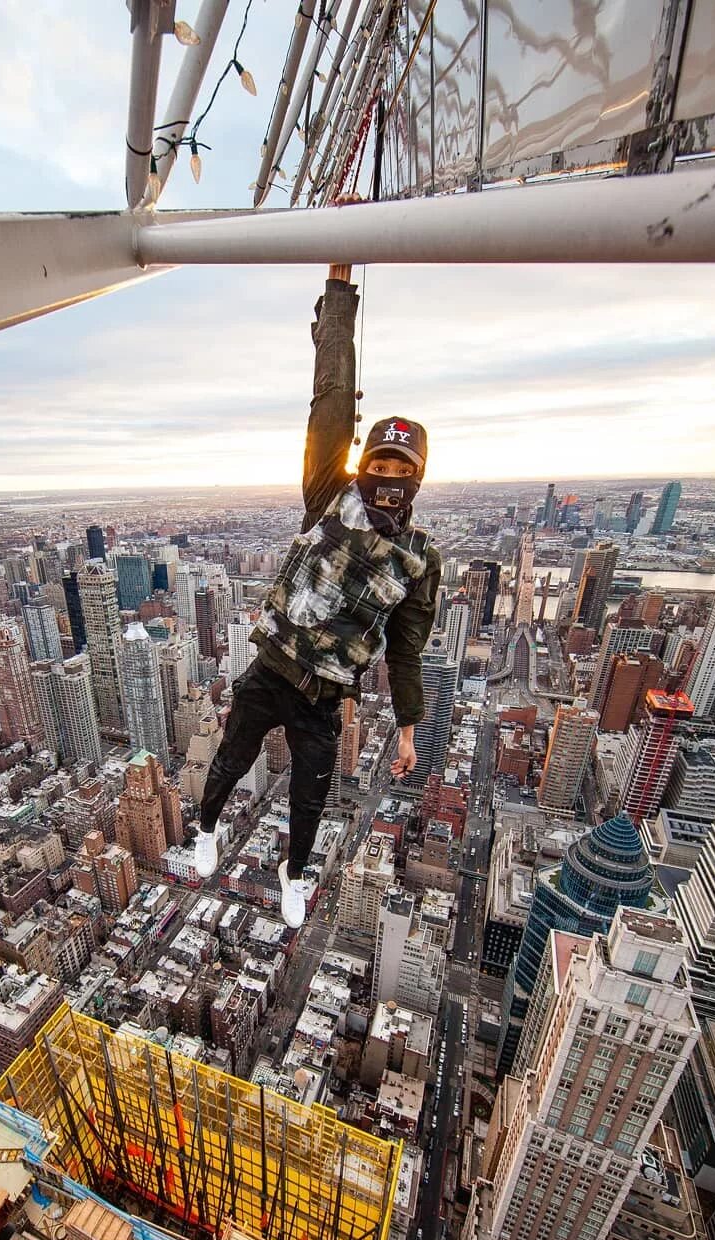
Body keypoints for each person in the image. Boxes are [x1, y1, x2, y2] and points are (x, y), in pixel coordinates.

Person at [194, 264, 441, 927]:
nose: (387, 478)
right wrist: (339, 293)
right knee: (229, 761)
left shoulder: (420, 558)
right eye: (379, 467)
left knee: (311, 799)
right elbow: (331, 395)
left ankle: (295, 874)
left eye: (400, 471)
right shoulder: (329, 493)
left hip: (326, 697)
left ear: (416, 480)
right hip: (273, 670)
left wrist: (410, 728)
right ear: (363, 469)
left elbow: (408, 649)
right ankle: (206, 830)